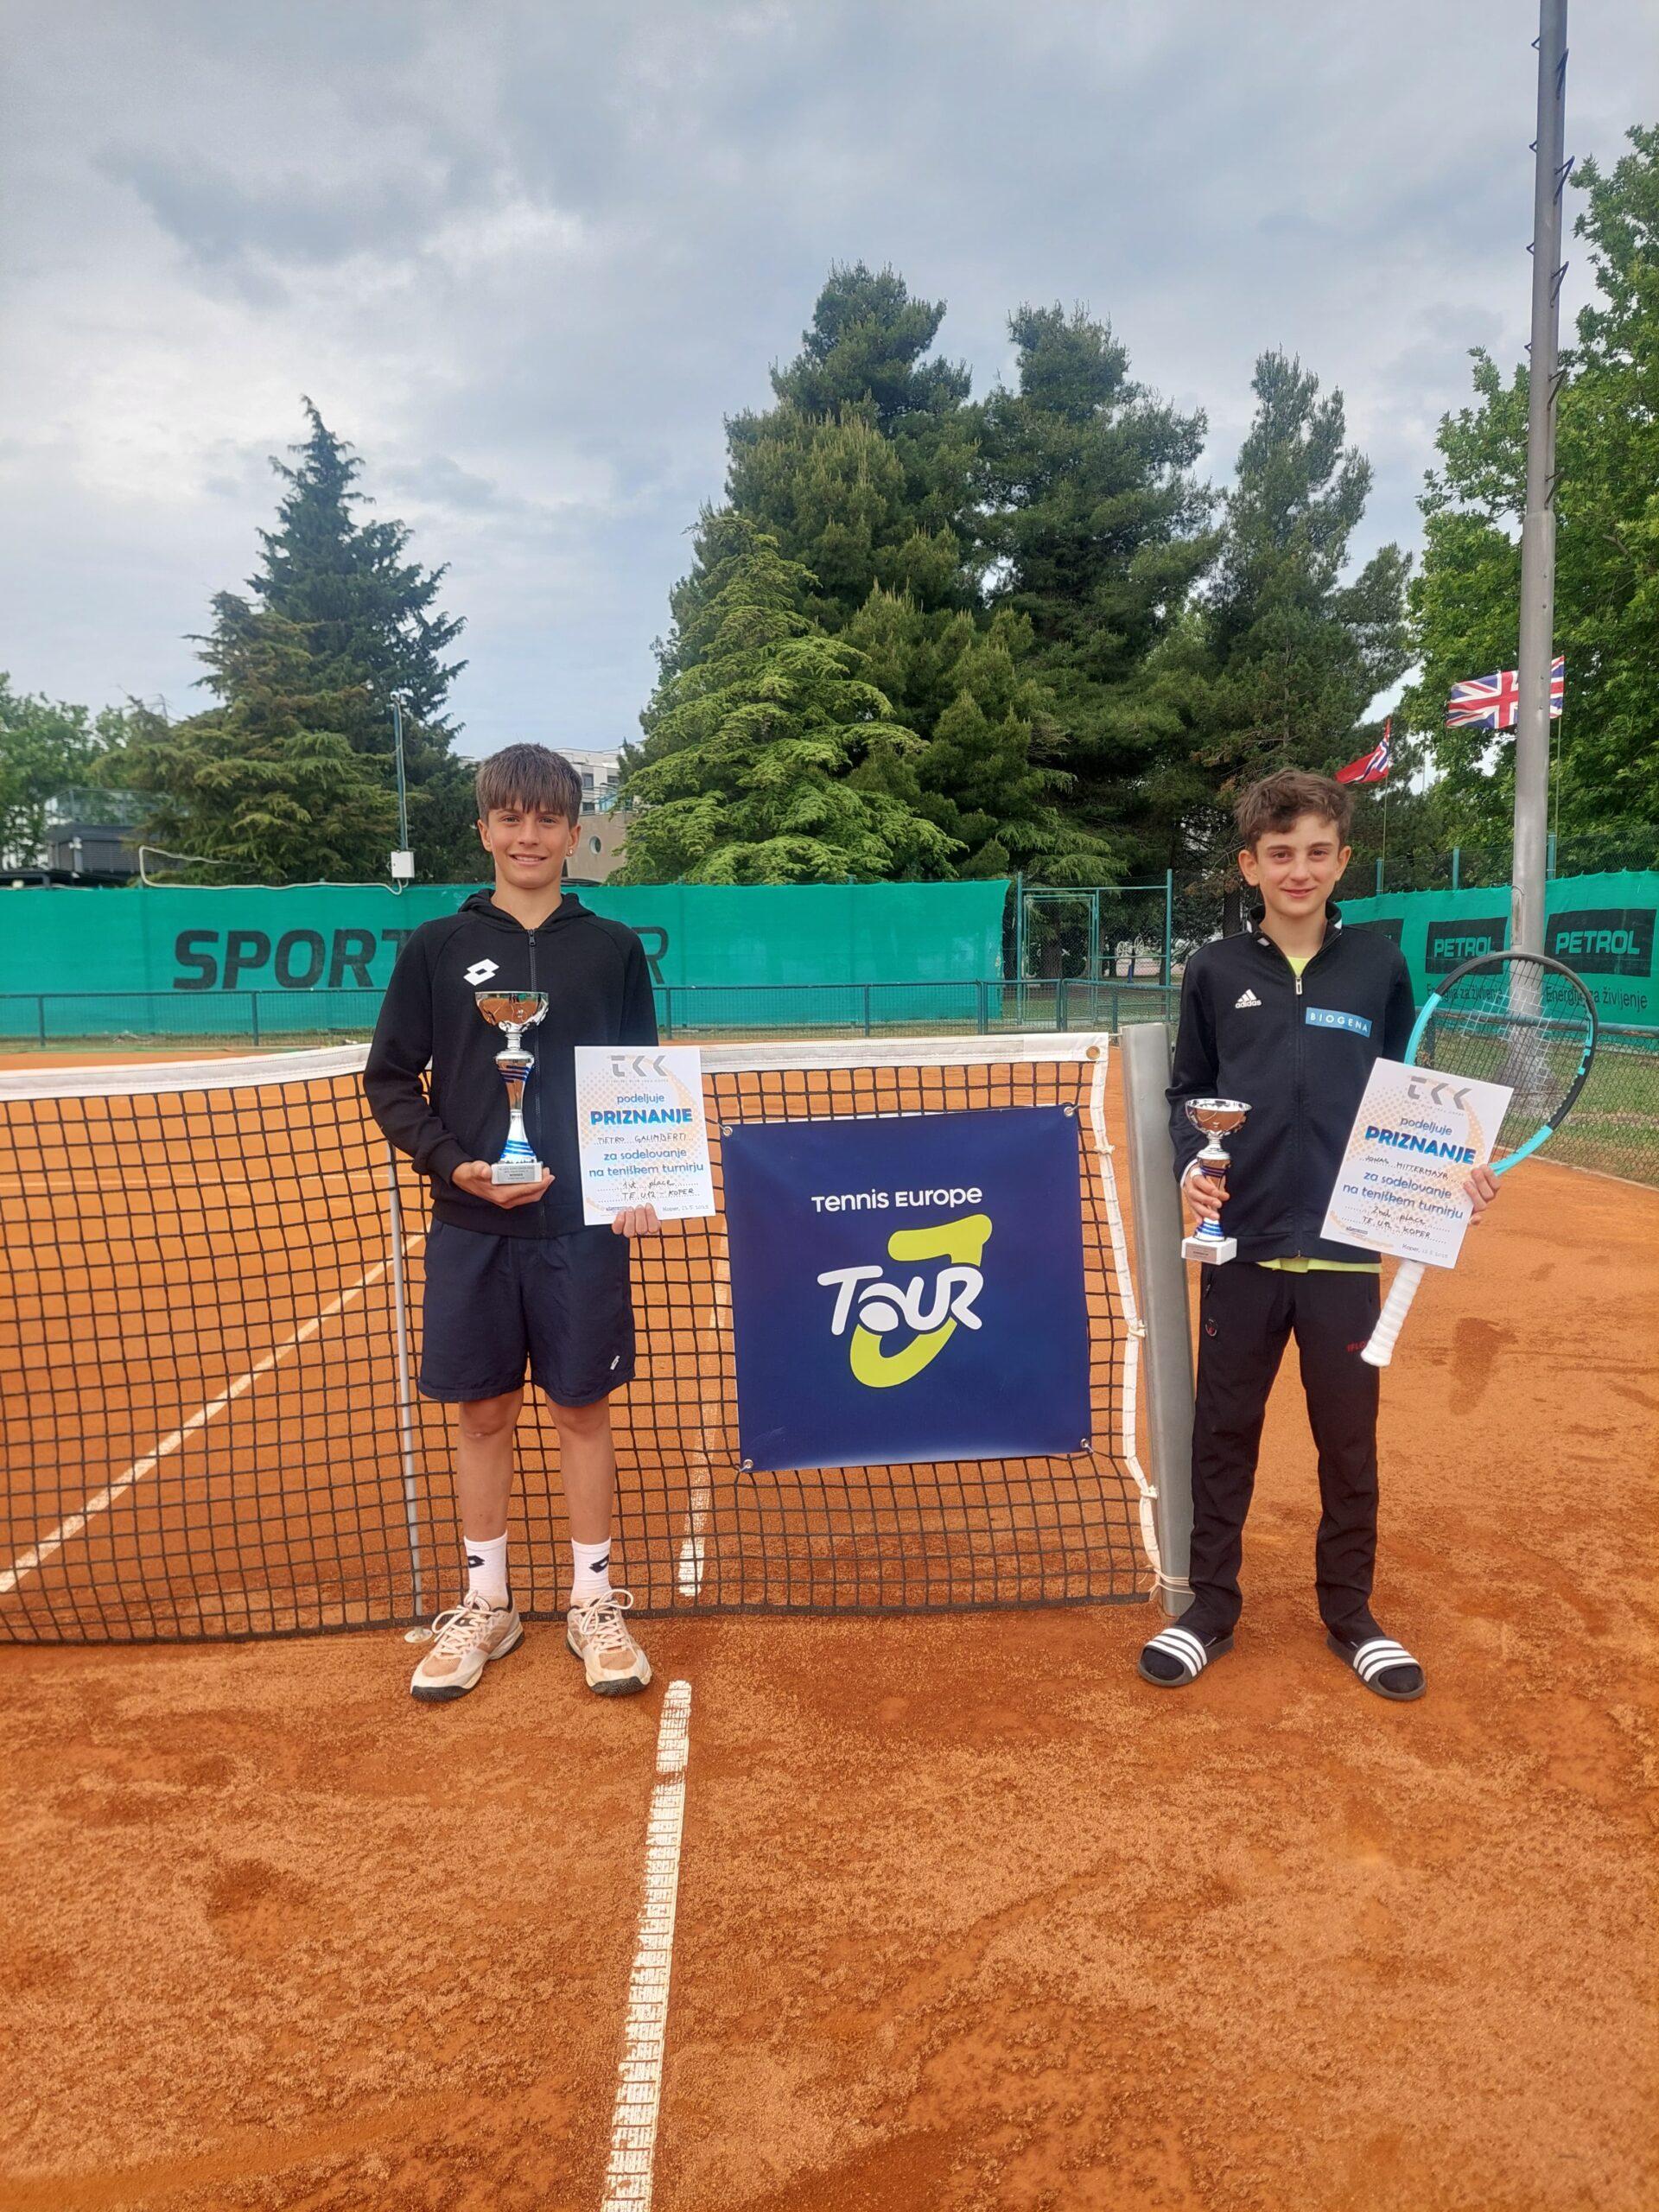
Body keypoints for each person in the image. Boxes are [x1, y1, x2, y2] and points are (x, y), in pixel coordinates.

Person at [1140, 768, 1499, 1702]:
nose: (1297, 870)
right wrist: (1190, 1166)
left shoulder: (1378, 964)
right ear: (1249, 865)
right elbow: (1190, 1092)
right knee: (1224, 1434)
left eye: (1315, 852)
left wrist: (1452, 1172)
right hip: (1243, 1248)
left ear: (1342, 861)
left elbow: (1412, 1095)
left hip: (1346, 1250)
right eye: (1279, 853)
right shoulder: (1213, 970)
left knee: (1348, 1443)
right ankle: (1210, 1610)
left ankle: (1351, 1615)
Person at [365, 742, 662, 1705]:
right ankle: (487, 1601)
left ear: (575, 833)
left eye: (547, 820)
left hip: (581, 1230)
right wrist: (455, 1164)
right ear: (484, 829)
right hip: (472, 1226)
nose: (528, 836)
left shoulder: (613, 949)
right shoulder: (436, 947)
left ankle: (592, 1599)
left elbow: (640, 1077)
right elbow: (389, 1079)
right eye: (510, 818)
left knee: (582, 1410)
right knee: (484, 1412)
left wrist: (640, 1176)